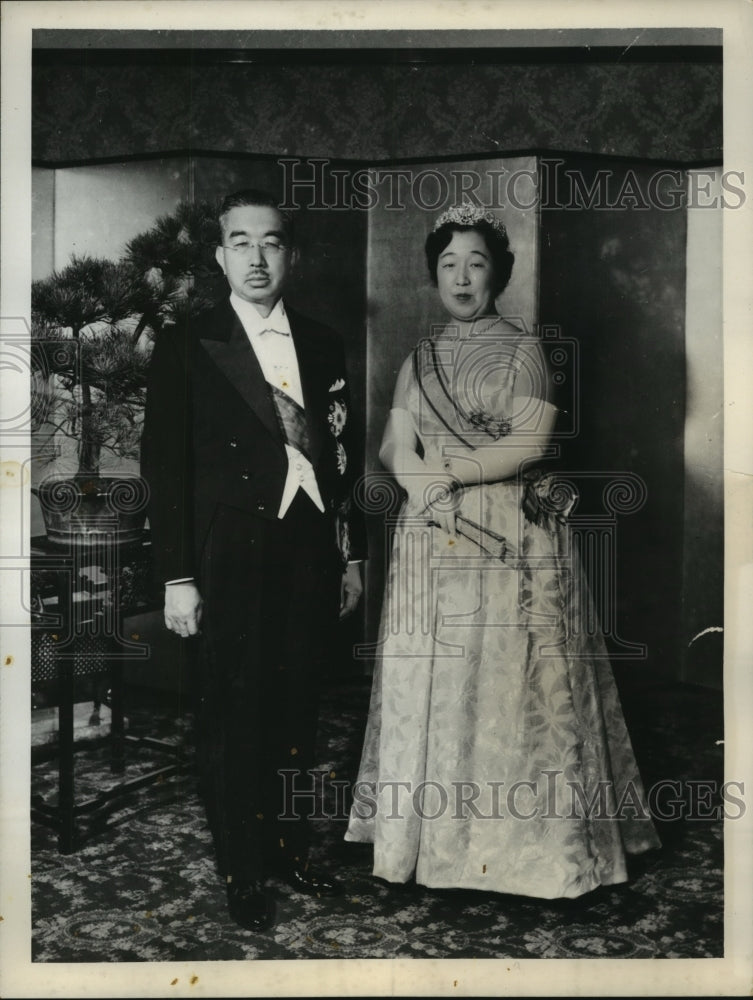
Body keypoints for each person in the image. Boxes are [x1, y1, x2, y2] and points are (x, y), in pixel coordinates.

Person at [345, 203, 660, 899]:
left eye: (476, 263)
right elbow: (396, 442)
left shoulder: (524, 349)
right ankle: (432, 845)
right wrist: (420, 482)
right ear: (432, 273)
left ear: (501, 273)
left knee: (509, 683)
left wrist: (448, 474)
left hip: (508, 530)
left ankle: (525, 850)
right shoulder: (416, 357)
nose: (461, 277)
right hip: (433, 528)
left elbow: (528, 444)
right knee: (437, 678)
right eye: (448, 264)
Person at [141, 189, 365, 931]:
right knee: (233, 713)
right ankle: (242, 868)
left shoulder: (324, 340)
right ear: (219, 255)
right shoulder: (186, 343)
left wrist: (350, 554)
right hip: (227, 551)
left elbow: (340, 457)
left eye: (271, 243)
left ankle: (288, 849)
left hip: (306, 547)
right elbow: (164, 468)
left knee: (297, 704)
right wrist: (176, 576)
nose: (258, 257)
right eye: (242, 243)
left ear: (290, 254)